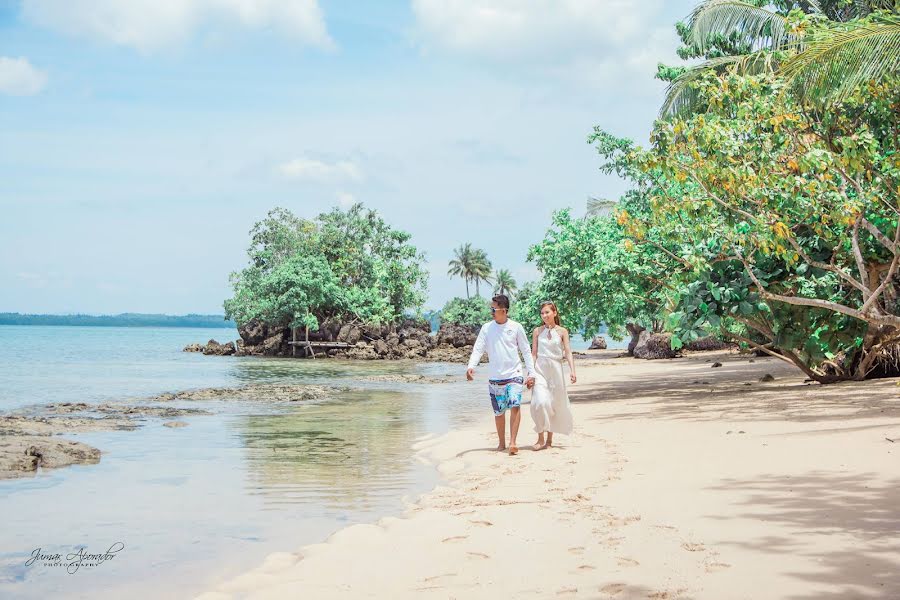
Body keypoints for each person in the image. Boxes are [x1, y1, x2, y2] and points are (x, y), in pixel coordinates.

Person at [466, 294, 536, 455]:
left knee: (515, 405)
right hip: (495, 377)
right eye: (491, 308)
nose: (491, 311)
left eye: (494, 309)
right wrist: (471, 366)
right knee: (499, 412)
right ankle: (501, 443)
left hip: (514, 374)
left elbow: (525, 350)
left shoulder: (516, 327)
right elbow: (478, 348)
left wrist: (531, 373)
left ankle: (513, 442)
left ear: (504, 310)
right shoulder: (486, 328)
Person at [530, 301, 575, 450]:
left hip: (556, 370)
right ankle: (540, 437)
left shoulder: (563, 331)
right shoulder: (537, 331)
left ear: (554, 313)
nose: (544, 316)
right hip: (540, 370)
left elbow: (567, 352)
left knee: (553, 403)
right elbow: (534, 353)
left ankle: (549, 439)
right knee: (540, 402)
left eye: (547, 312)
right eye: (542, 313)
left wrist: (572, 371)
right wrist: (530, 373)